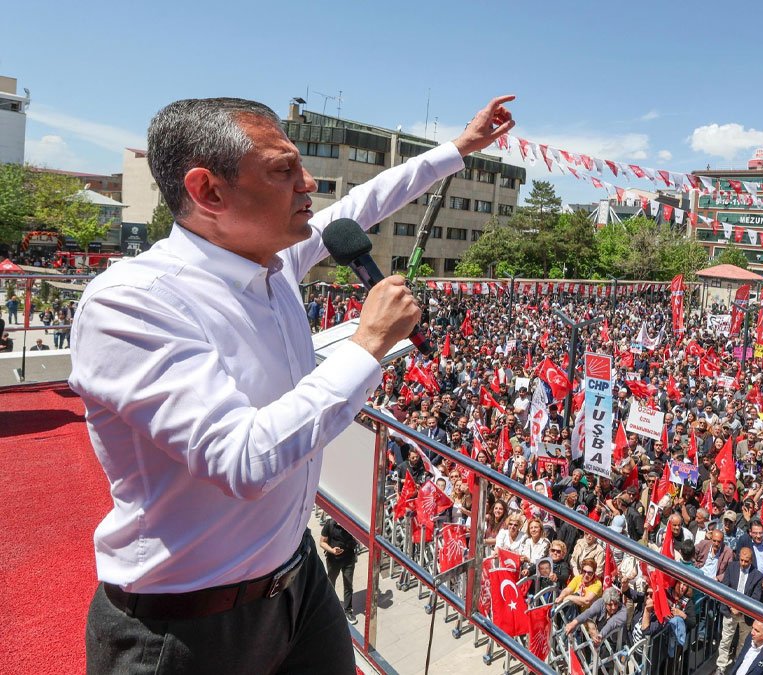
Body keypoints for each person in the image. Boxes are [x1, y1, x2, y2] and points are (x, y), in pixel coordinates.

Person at [74, 94, 514, 674]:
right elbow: (240, 460)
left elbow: (367, 201)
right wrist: (368, 345)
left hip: (297, 584)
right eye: (283, 171)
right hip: (185, 625)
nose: (308, 183)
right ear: (209, 191)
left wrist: (459, 149)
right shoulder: (132, 303)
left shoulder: (271, 259)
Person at [718, 547, 763, 675]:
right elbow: (725, 589)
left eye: (746, 561)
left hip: (746, 615)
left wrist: (741, 609)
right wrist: (732, 606)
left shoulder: (757, 575)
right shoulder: (731, 567)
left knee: (743, 642)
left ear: (751, 560)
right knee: (725, 640)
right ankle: (721, 667)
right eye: (741, 560)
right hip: (729, 611)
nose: (743, 564)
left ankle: (738, 665)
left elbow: (755, 598)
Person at [320, 518, 358, 624]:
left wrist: (354, 536)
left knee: (348, 585)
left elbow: (359, 540)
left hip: (349, 559)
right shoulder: (330, 524)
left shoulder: (351, 523)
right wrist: (332, 550)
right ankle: (329, 608)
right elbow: (322, 542)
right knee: (331, 584)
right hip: (333, 560)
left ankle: (348, 611)